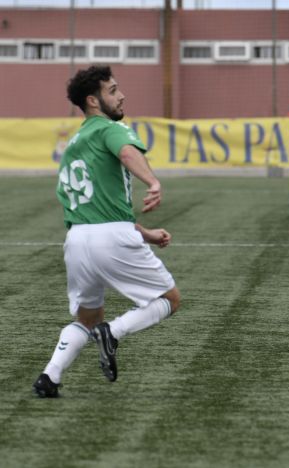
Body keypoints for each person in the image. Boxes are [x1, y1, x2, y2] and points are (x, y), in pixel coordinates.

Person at [33, 65, 181, 398]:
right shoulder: (107, 129)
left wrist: (144, 232)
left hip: (77, 240)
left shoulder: (75, 143)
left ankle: (50, 377)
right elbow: (128, 152)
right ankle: (112, 332)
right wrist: (153, 182)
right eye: (113, 90)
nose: (122, 94)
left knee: (86, 318)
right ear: (93, 101)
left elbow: (99, 206)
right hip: (110, 237)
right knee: (170, 299)